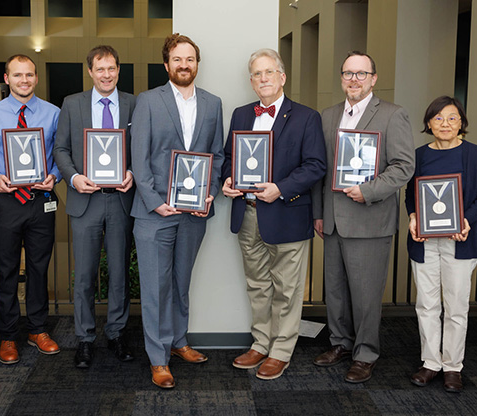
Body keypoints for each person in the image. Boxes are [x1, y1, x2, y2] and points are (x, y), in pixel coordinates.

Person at [221, 48, 325, 380]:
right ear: (251, 81)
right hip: (247, 213)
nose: (263, 79)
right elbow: (228, 157)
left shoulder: (307, 117)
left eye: (269, 72)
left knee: (287, 289)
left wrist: (280, 187)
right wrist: (227, 179)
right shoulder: (240, 115)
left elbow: (316, 166)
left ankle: (281, 351)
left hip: (286, 212)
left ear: (282, 77)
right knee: (257, 286)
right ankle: (260, 343)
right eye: (256, 74)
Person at [310, 51, 414, 383]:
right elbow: (320, 171)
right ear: (341, 78)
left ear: (373, 78)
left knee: (366, 294)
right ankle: (340, 343)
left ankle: (365, 353)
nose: (354, 80)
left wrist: (368, 190)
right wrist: (319, 213)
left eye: (361, 74)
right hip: (333, 219)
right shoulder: (327, 116)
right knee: (336, 291)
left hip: (369, 219)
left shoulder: (393, 115)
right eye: (348, 74)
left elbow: (403, 167)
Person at [131, 33, 223, 388]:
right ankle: (158, 358)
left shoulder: (213, 103)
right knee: (155, 287)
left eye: (190, 59)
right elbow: (139, 159)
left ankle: (178, 341)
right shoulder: (148, 101)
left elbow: (216, 156)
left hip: (193, 213)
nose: (184, 65)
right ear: (166, 64)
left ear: (197, 64)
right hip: (154, 212)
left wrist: (210, 194)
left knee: (181, 283)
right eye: (177, 59)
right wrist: (156, 201)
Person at [53, 45, 136, 368]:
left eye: (112, 68)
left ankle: (116, 334)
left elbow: (142, 147)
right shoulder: (72, 104)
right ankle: (85, 338)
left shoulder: (133, 103)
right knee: (85, 276)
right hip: (85, 200)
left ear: (118, 70)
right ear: (90, 71)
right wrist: (73, 178)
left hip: (120, 200)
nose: (106, 75)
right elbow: (61, 148)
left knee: (119, 275)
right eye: (100, 69)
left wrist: (132, 173)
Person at [0, 54, 62, 364]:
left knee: (39, 267)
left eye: (29, 75)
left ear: (36, 78)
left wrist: (55, 175)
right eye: (17, 75)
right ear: (7, 78)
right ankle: (8, 334)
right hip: (8, 201)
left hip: (42, 201)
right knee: (6, 269)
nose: (23, 80)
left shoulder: (54, 114)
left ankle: (37, 329)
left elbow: (61, 154)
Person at [405, 96, 477, 392]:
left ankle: (453, 366)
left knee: (456, 306)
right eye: (439, 118)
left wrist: (466, 219)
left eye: (452, 118)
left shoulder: (476, 155)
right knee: (426, 304)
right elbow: (410, 194)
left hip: (460, 241)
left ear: (462, 123)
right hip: (424, 242)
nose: (446, 124)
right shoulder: (417, 155)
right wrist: (414, 215)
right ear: (429, 123)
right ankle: (431, 362)